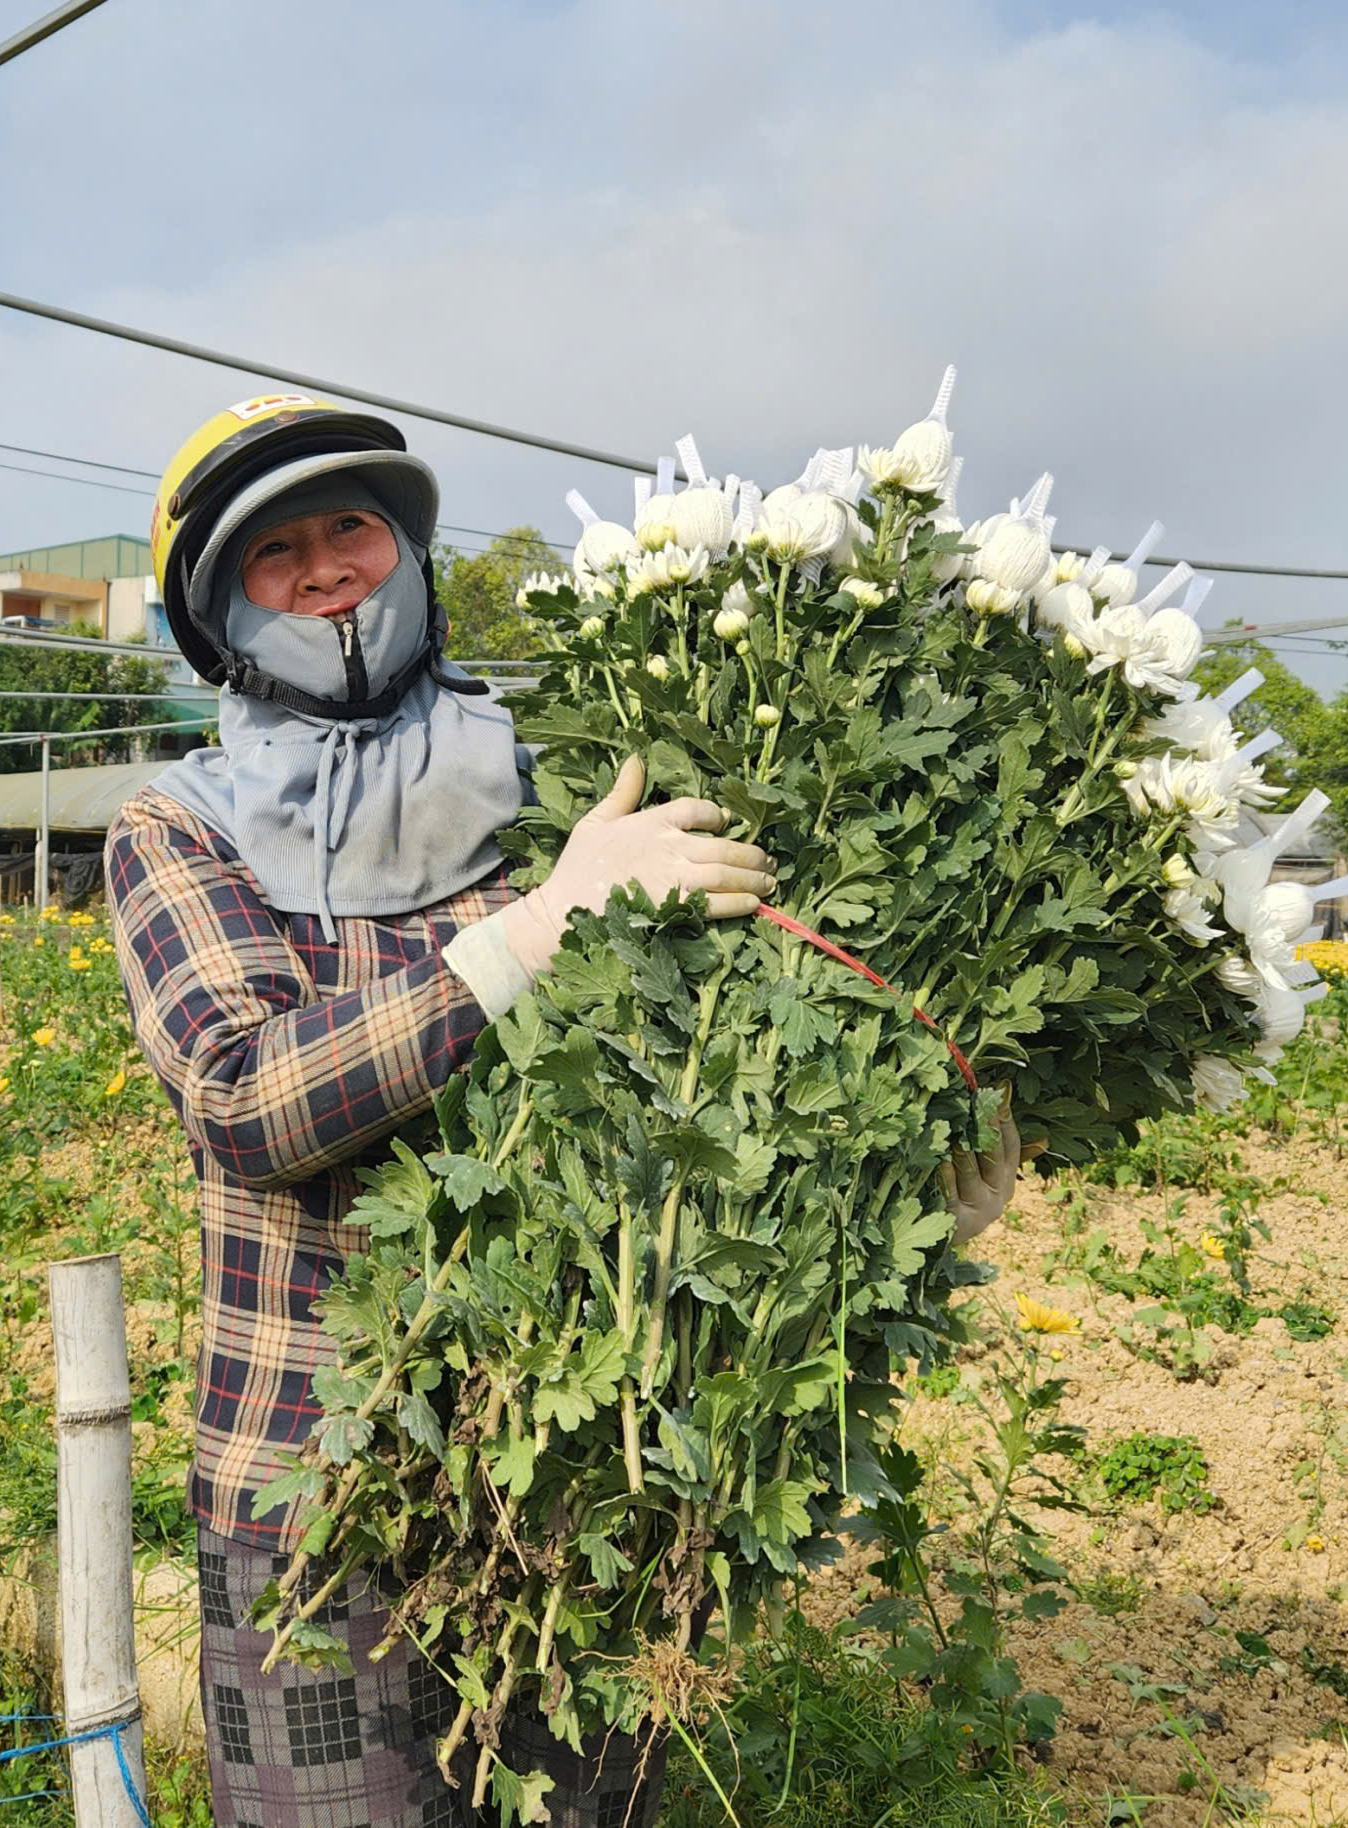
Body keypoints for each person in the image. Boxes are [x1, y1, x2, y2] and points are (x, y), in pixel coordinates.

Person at [108, 395, 1023, 1827]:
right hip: (310, 1484)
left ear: (408, 552)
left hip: (576, 1489)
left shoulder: (559, 786)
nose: (327, 566)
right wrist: (535, 931)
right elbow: (249, 1100)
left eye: (351, 525)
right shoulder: (180, 827)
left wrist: (902, 1185)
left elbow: (707, 1088)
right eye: (275, 553)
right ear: (220, 613)